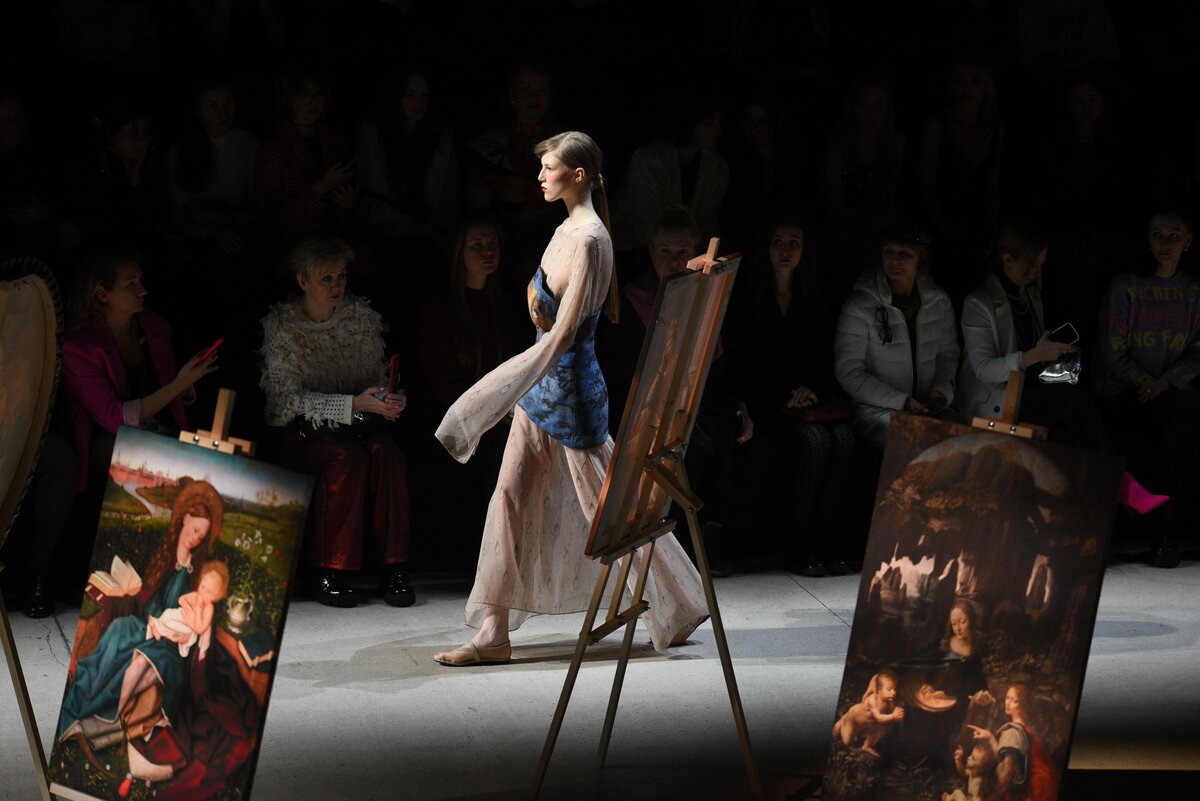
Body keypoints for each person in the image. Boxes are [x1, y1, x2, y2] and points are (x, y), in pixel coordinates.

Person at [433, 131, 708, 666]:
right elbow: (544, 302)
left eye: (550, 167)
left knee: (607, 513)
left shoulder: (591, 240)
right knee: (508, 498)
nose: (540, 176)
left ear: (578, 175)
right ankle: (493, 632)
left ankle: (676, 603)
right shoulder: (563, 228)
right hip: (542, 390)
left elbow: (564, 335)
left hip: (571, 395)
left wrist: (498, 387)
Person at [259, 237, 414, 607]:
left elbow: (374, 379)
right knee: (347, 458)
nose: (336, 286)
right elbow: (284, 403)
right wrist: (351, 404)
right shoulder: (283, 325)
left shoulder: (358, 317)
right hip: (302, 434)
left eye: (341, 276)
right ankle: (331, 570)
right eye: (325, 278)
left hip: (355, 426)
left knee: (386, 452)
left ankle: (394, 567)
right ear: (303, 281)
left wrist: (387, 400)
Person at [730, 217, 855, 576]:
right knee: (815, 441)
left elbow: (823, 356)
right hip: (765, 401)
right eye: (778, 242)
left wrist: (810, 390)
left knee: (843, 437)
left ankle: (823, 538)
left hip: (805, 400)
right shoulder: (748, 296)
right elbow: (743, 361)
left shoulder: (813, 295)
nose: (785, 251)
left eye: (793, 243)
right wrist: (780, 398)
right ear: (766, 248)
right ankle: (796, 544)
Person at [60, 248, 217, 494]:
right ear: (103, 294)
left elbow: (167, 388)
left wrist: (187, 380)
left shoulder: (154, 326)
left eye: (140, 281)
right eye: (130, 284)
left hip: (155, 430)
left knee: (213, 465)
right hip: (106, 439)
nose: (143, 290)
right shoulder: (80, 349)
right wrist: (178, 384)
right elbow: (114, 419)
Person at [1095, 208, 1200, 568]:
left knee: (1180, 425)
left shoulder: (1193, 291)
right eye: (1157, 234)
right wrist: (1146, 383)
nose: (1165, 243)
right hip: (1125, 389)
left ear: (1188, 241)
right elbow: (1112, 351)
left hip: (1170, 389)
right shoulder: (1126, 286)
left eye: (1174, 235)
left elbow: (1198, 351)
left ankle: (1166, 532)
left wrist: (1165, 383)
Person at [834, 223, 961, 449]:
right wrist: (901, 401)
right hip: (877, 409)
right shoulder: (861, 305)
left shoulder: (938, 303)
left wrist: (940, 392)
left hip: (926, 405)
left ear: (920, 260)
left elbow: (947, 354)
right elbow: (849, 371)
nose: (895, 259)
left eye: (905, 254)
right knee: (913, 437)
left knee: (962, 433)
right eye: (889, 252)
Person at [968, 684, 1061, 801]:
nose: (1008, 703)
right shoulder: (1026, 727)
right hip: (1048, 782)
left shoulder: (1012, 732)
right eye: (1007, 698)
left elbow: (1006, 775)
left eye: (1014, 701)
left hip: (1036, 789)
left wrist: (992, 798)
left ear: (1023, 705)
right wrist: (990, 737)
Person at [831, 670, 905, 757]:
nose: (894, 692)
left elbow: (892, 710)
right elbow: (879, 718)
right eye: (889, 689)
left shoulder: (889, 700)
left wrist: (898, 712)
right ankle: (843, 720)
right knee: (847, 742)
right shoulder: (872, 700)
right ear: (878, 690)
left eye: (894, 689)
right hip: (853, 720)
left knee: (881, 728)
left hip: (869, 723)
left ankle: (867, 746)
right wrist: (893, 716)